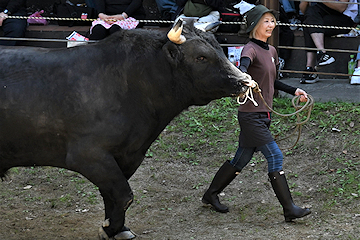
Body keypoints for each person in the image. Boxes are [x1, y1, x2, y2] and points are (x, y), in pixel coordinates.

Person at [201, 4, 311, 222]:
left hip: (263, 116)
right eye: (266, 21)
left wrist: (294, 90)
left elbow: (271, 80)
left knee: (241, 159)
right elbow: (243, 68)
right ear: (254, 25)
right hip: (251, 116)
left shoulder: (271, 51)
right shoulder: (249, 49)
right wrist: (244, 77)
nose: (271, 25)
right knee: (275, 156)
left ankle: (210, 195)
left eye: (272, 21)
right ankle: (289, 209)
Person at [299, 0, 358, 84]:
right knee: (310, 16)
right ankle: (321, 54)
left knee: (310, 23)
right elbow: (303, 11)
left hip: (345, 18)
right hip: (324, 16)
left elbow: (341, 7)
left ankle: (310, 69)